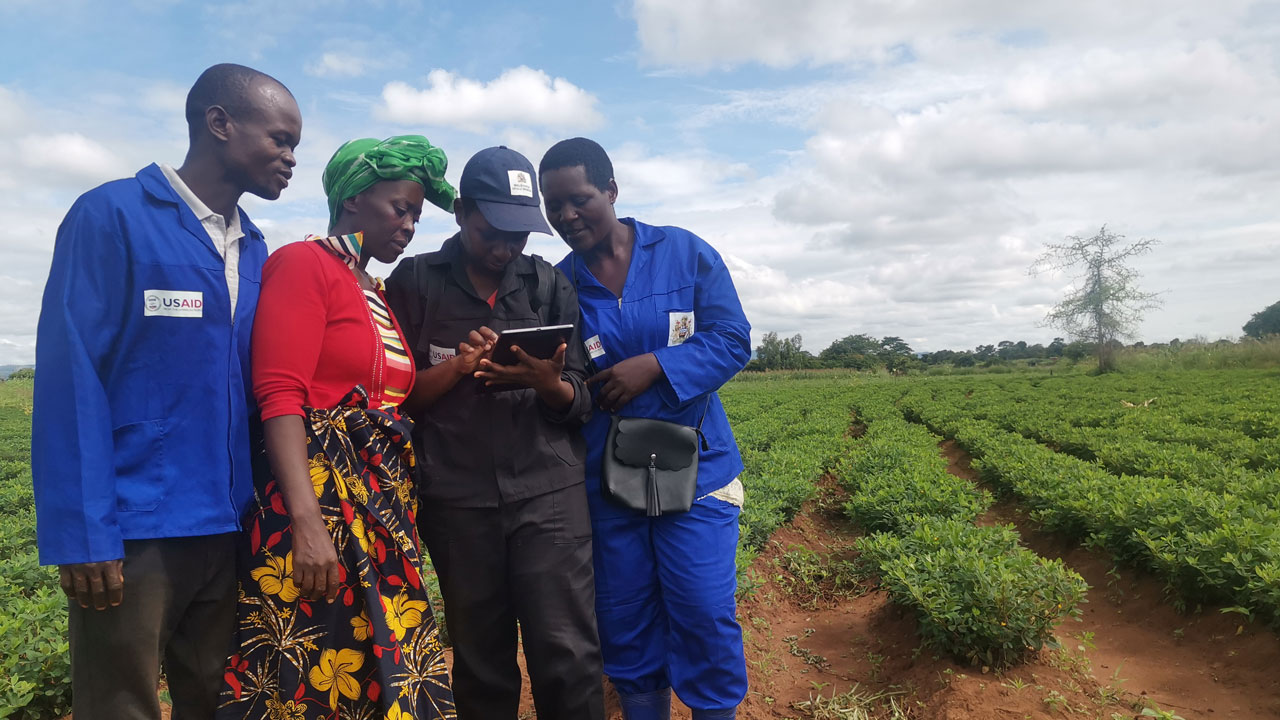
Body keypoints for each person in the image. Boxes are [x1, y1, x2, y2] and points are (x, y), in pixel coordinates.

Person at [30, 63, 301, 720]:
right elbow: (71, 379)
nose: (291, 159)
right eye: (281, 139)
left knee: (214, 697)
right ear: (219, 123)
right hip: (134, 530)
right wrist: (83, 534)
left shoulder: (257, 248)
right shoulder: (113, 216)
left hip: (225, 526)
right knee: (120, 704)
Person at [216, 136, 457, 719]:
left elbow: (390, 402)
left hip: (380, 509)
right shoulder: (304, 265)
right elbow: (281, 394)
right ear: (354, 200)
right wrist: (307, 525)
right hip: (321, 506)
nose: (409, 226)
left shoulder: (369, 287)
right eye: (400, 209)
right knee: (321, 674)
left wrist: (465, 366)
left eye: (417, 216)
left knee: (385, 668)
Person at [383, 146, 604, 720]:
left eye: (521, 236)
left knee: (567, 652)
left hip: (549, 495)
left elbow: (581, 396)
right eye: (492, 233)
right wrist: (453, 368)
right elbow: (392, 394)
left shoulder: (548, 285)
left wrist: (545, 383)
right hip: (457, 500)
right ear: (460, 212)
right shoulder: (414, 282)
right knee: (481, 660)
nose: (507, 248)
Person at [538, 138, 752, 720]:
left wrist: (656, 365)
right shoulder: (557, 286)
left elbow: (733, 340)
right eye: (553, 206)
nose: (566, 216)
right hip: (608, 475)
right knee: (624, 614)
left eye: (579, 199)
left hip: (698, 464)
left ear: (611, 190)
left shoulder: (684, 253)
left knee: (703, 608)